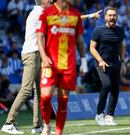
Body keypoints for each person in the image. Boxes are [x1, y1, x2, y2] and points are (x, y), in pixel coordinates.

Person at [37, 0, 88, 134]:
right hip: (50, 64)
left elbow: (79, 40)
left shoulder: (76, 14)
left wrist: (83, 61)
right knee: (45, 98)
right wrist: (43, 57)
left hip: (68, 66)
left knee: (63, 102)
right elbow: (39, 37)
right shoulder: (46, 13)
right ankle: (47, 125)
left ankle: (58, 132)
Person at [1, 0, 52, 134]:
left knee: (39, 92)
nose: (52, 1)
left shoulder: (38, 12)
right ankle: (8, 123)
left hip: (36, 54)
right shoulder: (40, 13)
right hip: (32, 55)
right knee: (26, 90)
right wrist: (88, 16)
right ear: (43, 1)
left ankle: (37, 126)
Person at [90, 6, 126, 126]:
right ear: (105, 17)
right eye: (110, 15)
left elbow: (122, 46)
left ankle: (109, 116)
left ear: (117, 17)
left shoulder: (120, 30)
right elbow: (92, 48)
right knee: (106, 85)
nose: (112, 17)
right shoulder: (98, 30)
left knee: (115, 90)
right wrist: (100, 60)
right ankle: (99, 114)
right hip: (102, 63)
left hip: (116, 63)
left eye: (114, 15)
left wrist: (123, 61)